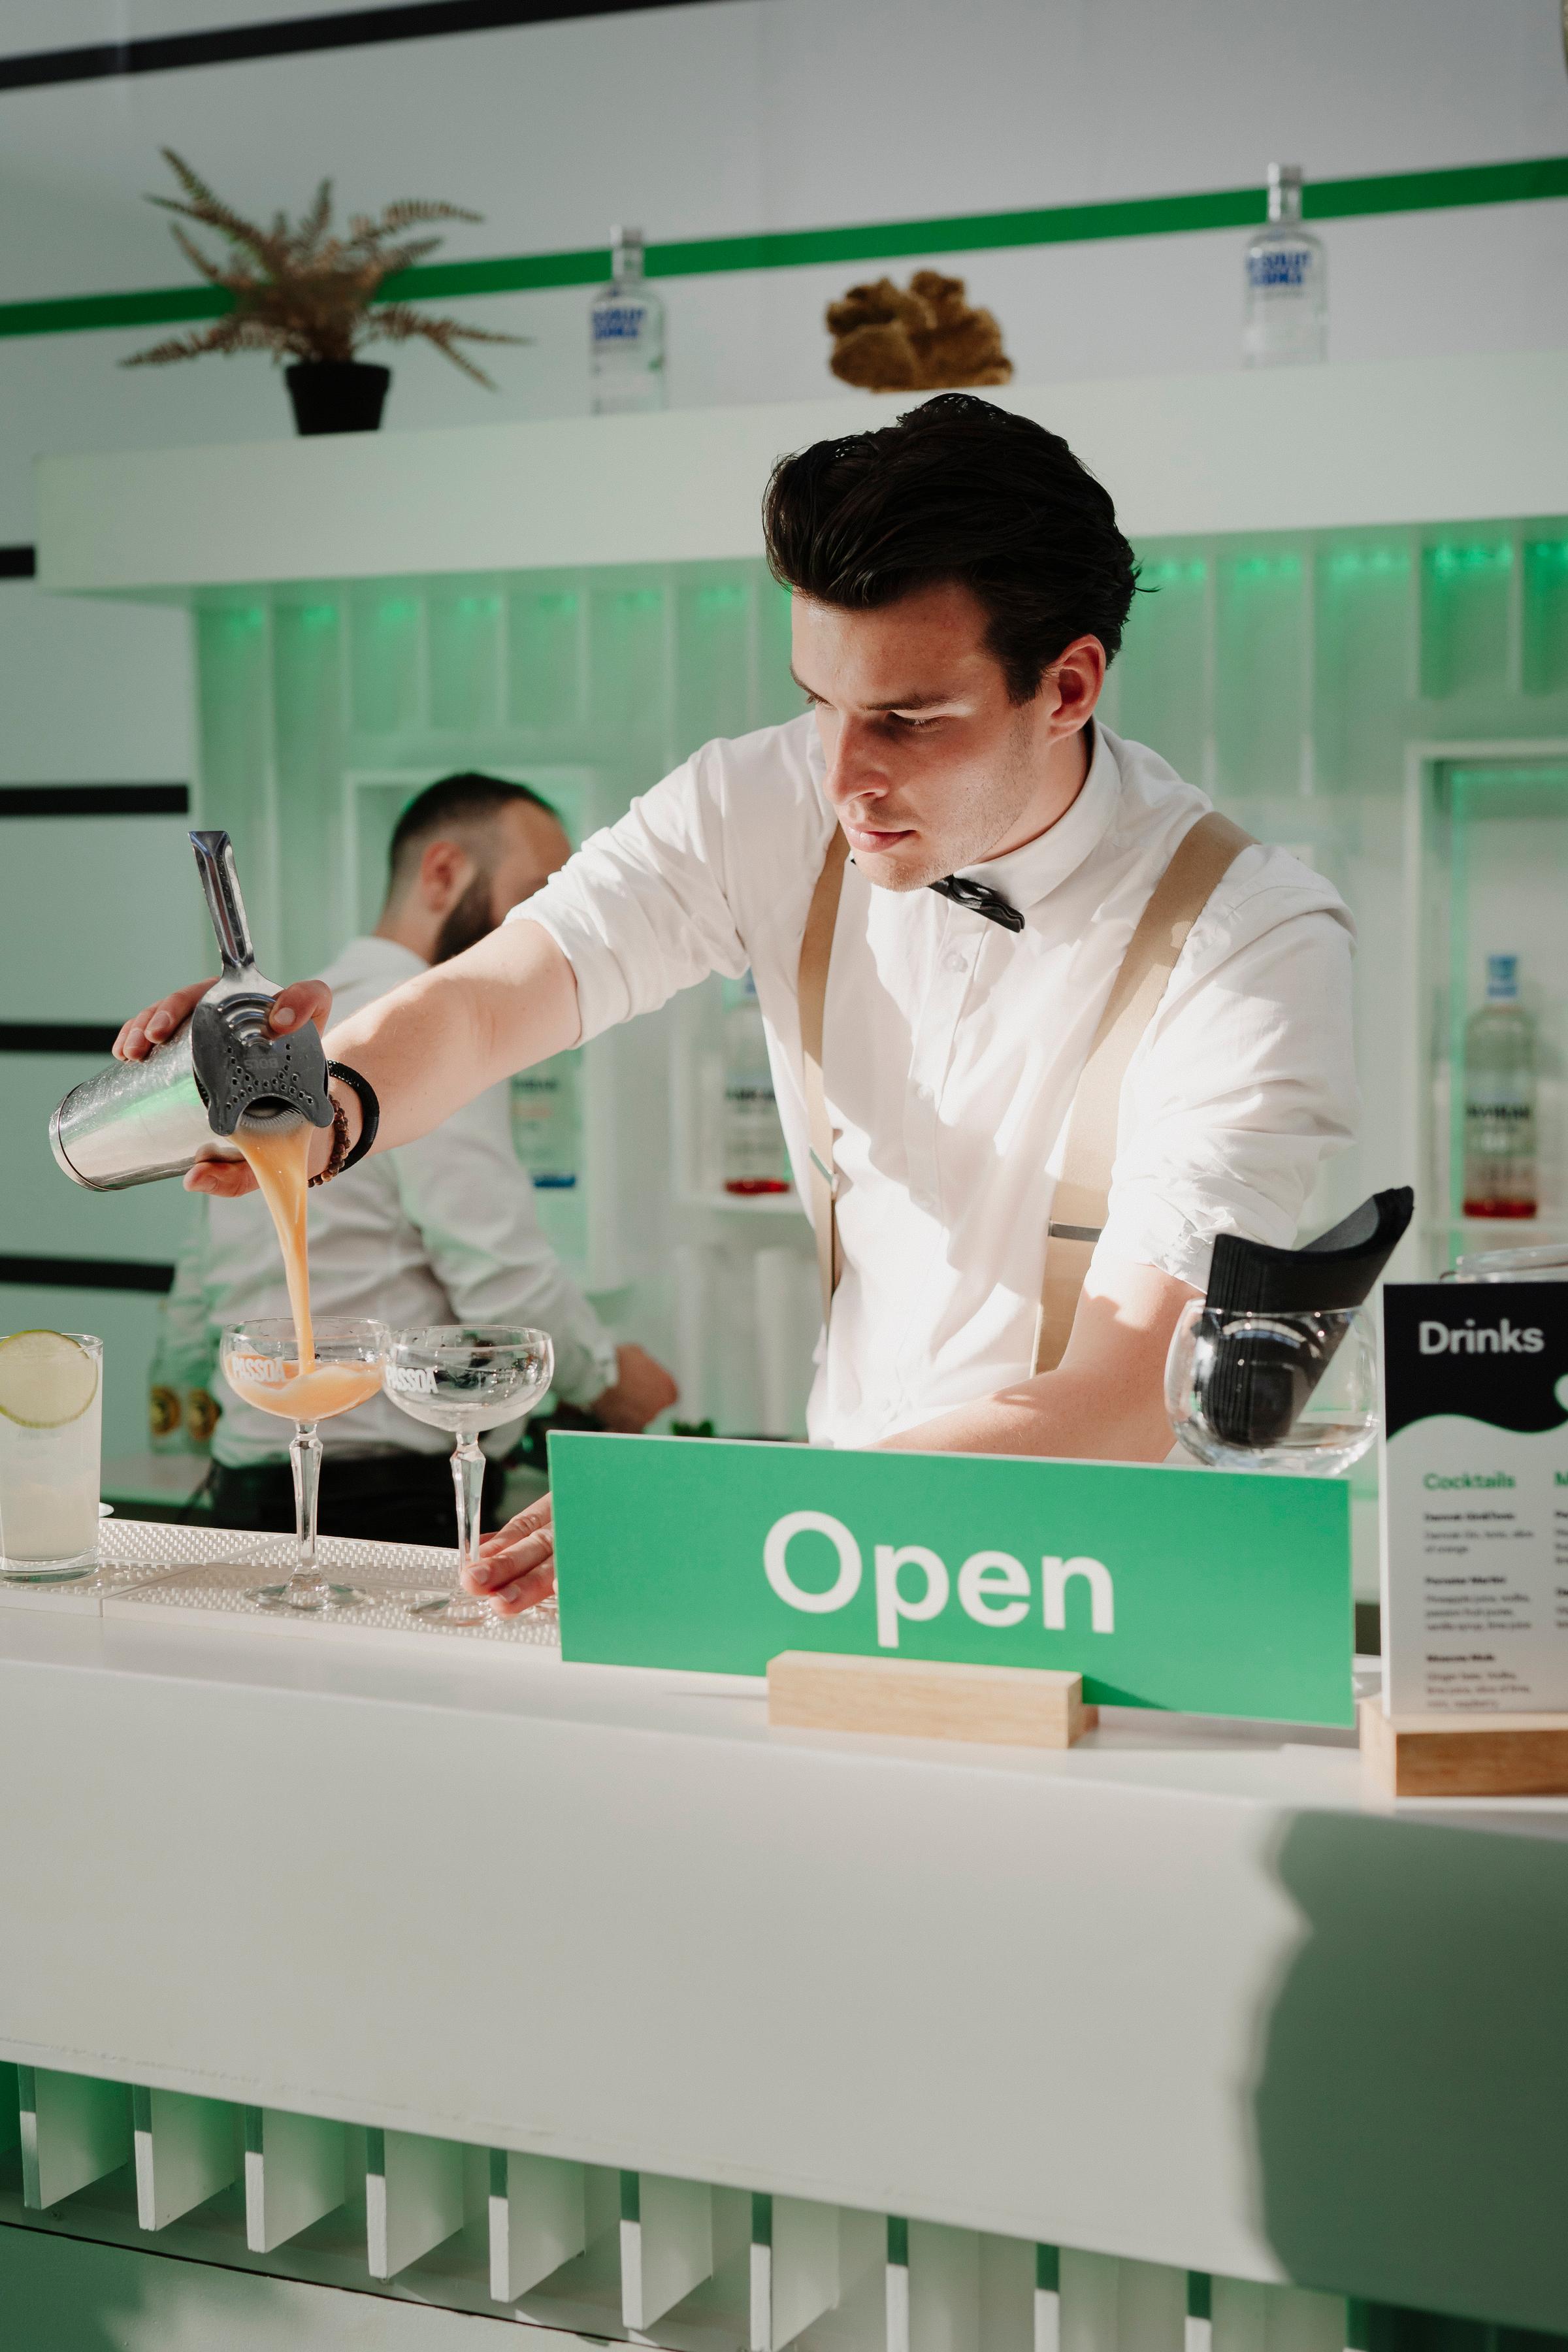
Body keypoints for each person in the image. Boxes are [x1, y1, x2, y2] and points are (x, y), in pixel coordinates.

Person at [118, 397, 1355, 1604]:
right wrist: (332, 1099)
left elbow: (1133, 1388)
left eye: (905, 721)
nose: (843, 772)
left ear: (1069, 687)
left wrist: (737, 1511)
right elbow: (507, 988)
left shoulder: (1249, 938)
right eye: (820, 702)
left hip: (1113, 1581)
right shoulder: (761, 803)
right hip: (830, 1565)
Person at [169, 771, 677, 1546]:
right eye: (538, 893)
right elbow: (498, 1276)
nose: (549, 925)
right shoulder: (431, 1031)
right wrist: (608, 1379)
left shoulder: (289, 1025)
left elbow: (200, 1280)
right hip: (375, 1498)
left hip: (245, 1477)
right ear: (443, 872)